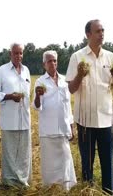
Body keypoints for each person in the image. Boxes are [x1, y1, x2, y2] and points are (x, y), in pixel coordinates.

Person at [65, 20, 113, 194]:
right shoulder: (77, 57)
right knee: (87, 163)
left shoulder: (111, 57)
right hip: (85, 120)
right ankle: (88, 191)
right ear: (88, 35)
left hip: (107, 118)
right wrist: (80, 76)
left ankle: (108, 192)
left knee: (108, 161)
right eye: (98, 31)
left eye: (103, 30)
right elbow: (71, 88)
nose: (102, 34)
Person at [32, 50, 77, 190]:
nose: (52, 63)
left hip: (63, 127)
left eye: (54, 61)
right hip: (48, 129)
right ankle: (51, 188)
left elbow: (67, 104)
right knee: (49, 162)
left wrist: (71, 126)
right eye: (49, 61)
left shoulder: (64, 80)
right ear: (44, 64)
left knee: (65, 159)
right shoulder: (40, 82)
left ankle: (66, 188)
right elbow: (36, 106)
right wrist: (38, 96)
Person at [0, 43, 32, 188]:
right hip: (9, 118)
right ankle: (9, 182)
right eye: (15, 53)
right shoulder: (2, 71)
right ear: (10, 54)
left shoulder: (26, 70)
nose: (18, 56)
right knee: (9, 151)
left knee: (23, 151)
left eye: (21, 53)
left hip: (24, 117)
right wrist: (10, 96)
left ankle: (23, 180)